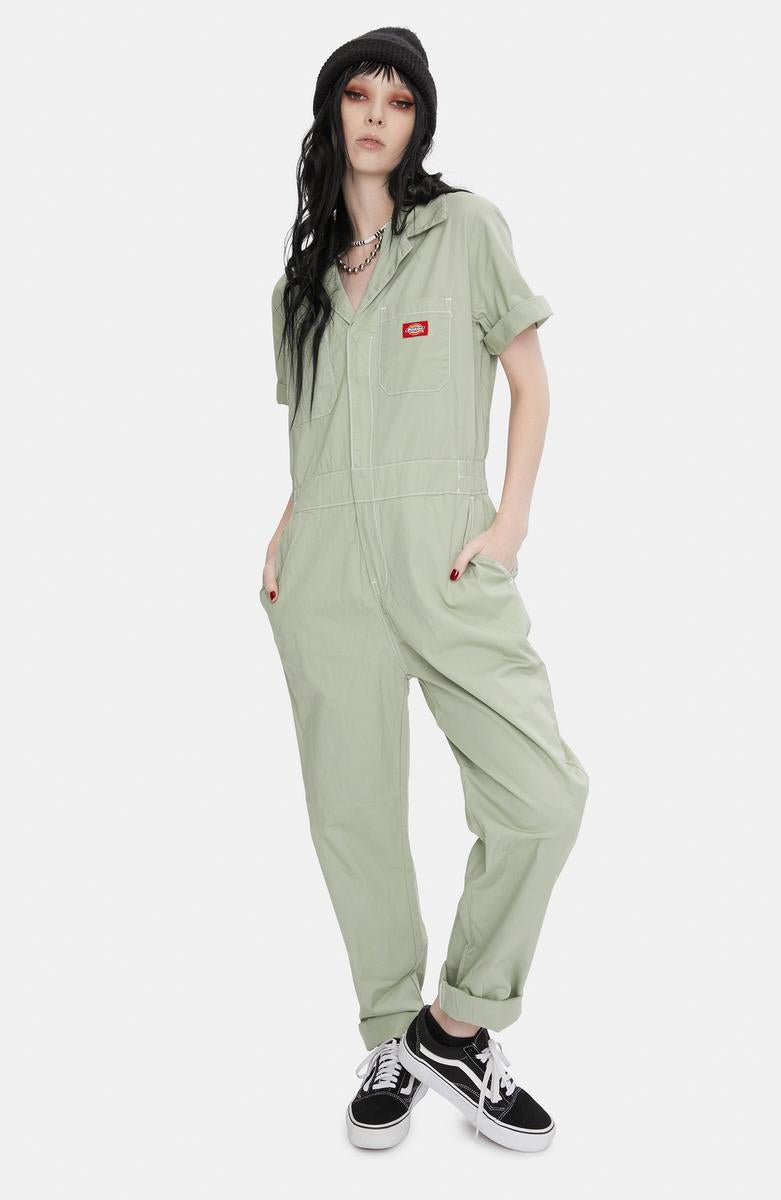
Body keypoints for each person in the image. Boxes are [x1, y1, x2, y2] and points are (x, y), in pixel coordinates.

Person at [259, 27, 589, 1153]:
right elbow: (316, 441)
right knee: (352, 815)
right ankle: (392, 1034)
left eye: (398, 101)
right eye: (358, 94)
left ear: (419, 122)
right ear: (332, 111)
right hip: (324, 574)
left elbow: (530, 384)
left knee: (542, 796)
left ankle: (457, 1022)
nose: (375, 115)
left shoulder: (465, 231)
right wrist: (288, 533)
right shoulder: (297, 286)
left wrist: (509, 524)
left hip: (447, 559)